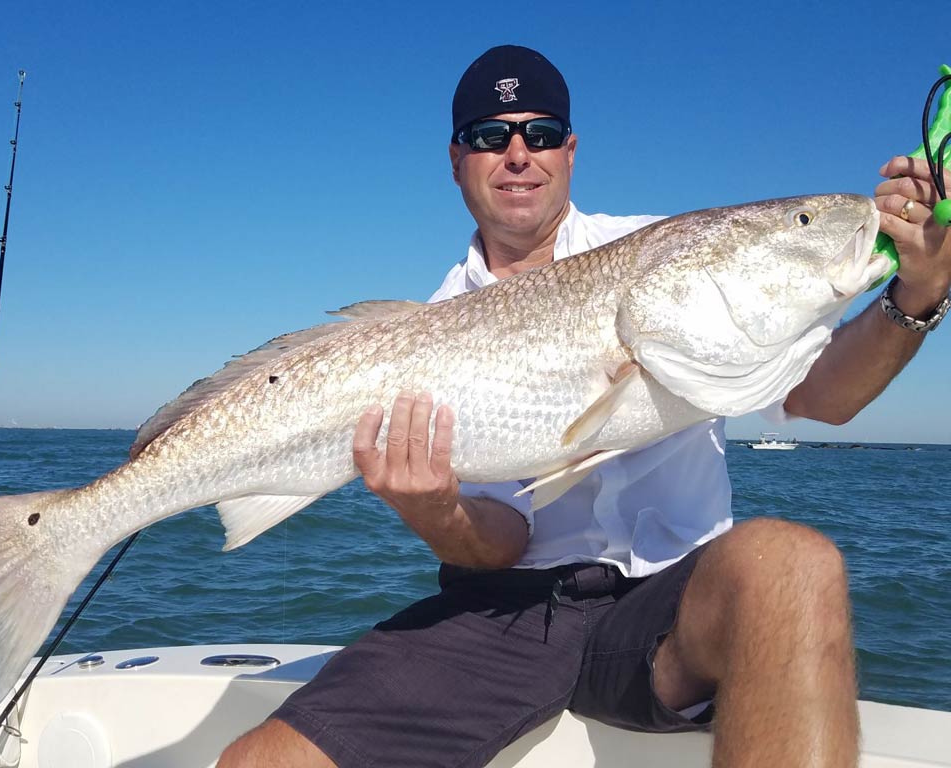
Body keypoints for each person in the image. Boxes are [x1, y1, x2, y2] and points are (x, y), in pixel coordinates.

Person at [219, 46, 951, 768]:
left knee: (794, 564)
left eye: (539, 134)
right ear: (455, 159)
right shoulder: (426, 329)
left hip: (672, 610)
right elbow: (500, 538)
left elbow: (822, 398)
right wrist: (435, 510)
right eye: (489, 136)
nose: (517, 153)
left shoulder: (663, 250)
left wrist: (915, 293)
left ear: (569, 152)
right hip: (497, 612)